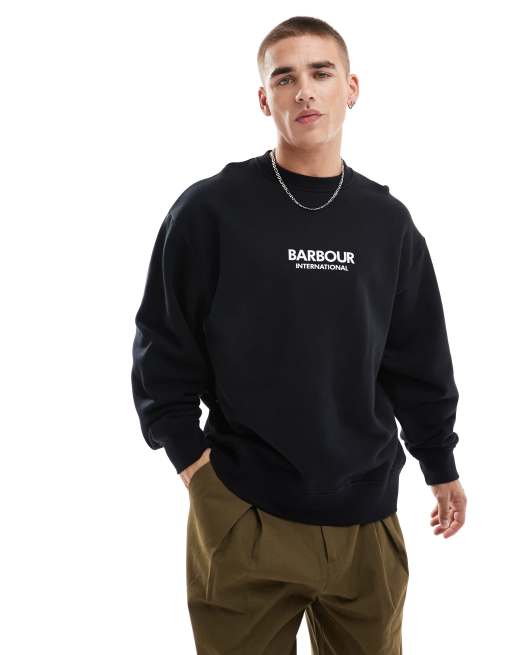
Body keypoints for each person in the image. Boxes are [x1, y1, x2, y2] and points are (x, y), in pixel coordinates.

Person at [131, 15, 467, 654]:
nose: (304, 90)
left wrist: (440, 462)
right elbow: (162, 348)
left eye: (321, 72)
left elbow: (418, 356)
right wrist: (194, 467)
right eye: (284, 78)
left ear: (351, 87)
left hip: (367, 518)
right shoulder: (211, 210)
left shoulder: (387, 223)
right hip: (244, 508)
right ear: (265, 99)